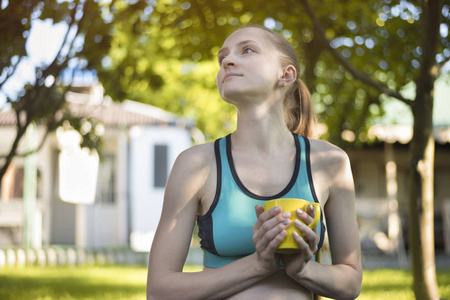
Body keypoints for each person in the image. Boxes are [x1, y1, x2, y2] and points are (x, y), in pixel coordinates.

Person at [146, 25, 362, 300]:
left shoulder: (330, 162)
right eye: (222, 58)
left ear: (285, 75)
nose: (227, 61)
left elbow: (351, 282)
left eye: (247, 50)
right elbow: (159, 290)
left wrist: (303, 270)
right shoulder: (195, 165)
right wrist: (257, 265)